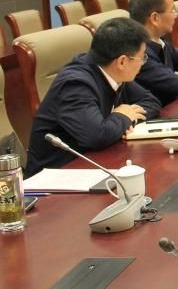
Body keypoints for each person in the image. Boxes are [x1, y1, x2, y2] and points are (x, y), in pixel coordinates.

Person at [25, 18, 162, 176]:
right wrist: (122, 117)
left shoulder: (113, 72)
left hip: (93, 163)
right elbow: (96, 136)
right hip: (56, 176)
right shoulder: (75, 84)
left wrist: (126, 121)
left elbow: (151, 102)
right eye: (142, 58)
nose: (143, 63)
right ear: (122, 61)